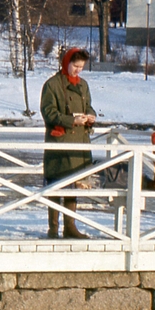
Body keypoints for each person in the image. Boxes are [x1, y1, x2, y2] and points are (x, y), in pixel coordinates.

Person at [40, 47, 96, 239]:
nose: (78, 70)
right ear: (67, 63)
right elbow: (48, 113)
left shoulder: (83, 85)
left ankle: (70, 227)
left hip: (79, 142)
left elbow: (88, 106)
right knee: (56, 184)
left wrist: (90, 116)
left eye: (81, 67)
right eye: (75, 66)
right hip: (60, 142)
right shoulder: (52, 85)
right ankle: (53, 229)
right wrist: (71, 120)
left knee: (73, 184)